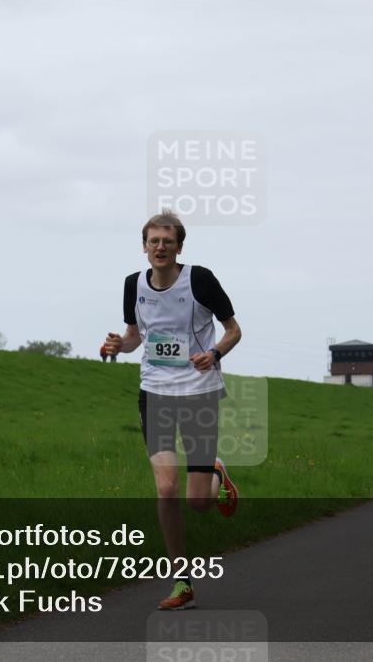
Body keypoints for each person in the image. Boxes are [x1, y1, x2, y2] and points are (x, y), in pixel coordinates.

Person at [102, 209, 242, 611]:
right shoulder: (133, 285)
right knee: (166, 487)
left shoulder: (200, 279)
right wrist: (118, 346)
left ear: (179, 246)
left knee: (198, 502)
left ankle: (216, 470)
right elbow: (134, 338)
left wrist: (214, 352)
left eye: (167, 241)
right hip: (156, 392)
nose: (160, 247)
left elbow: (234, 330)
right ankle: (182, 581)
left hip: (199, 392)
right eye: (153, 241)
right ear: (144, 247)